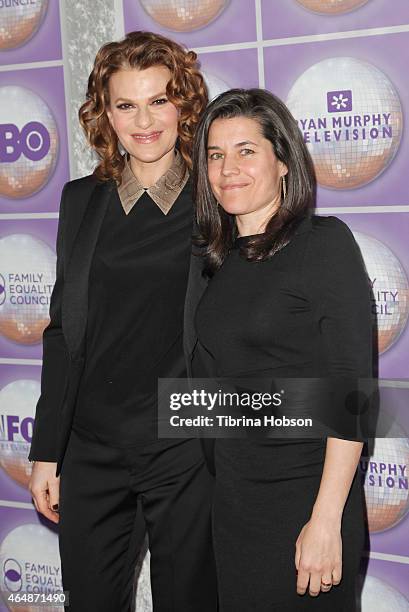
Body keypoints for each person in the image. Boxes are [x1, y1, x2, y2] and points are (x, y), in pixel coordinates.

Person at [28, 31, 217, 612]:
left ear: (184, 104)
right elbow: (63, 331)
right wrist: (46, 450)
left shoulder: (217, 199)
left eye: (159, 100)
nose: (143, 122)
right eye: (125, 104)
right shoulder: (80, 200)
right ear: (103, 112)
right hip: (91, 444)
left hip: (183, 445)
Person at [188, 88, 373, 611]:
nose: (228, 169)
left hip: (305, 502)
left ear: (285, 161)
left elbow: (351, 393)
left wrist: (326, 520)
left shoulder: (323, 245)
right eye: (215, 155)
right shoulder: (218, 262)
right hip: (236, 501)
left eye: (247, 151)